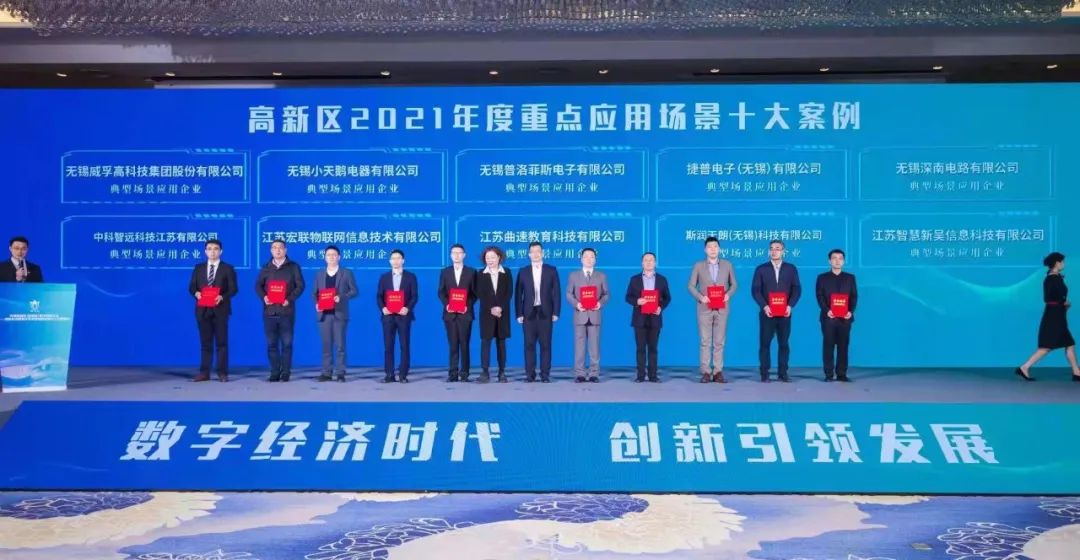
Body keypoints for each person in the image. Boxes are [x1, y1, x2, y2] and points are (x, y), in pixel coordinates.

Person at [1016, 252, 1080, 382]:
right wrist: (1063, 303)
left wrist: (1063, 304)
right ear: (1057, 263)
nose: (1064, 264)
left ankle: (1076, 372)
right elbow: (1049, 298)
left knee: (1069, 343)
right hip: (1054, 316)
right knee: (1047, 346)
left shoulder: (1054, 278)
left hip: (1057, 314)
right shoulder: (1052, 279)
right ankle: (1024, 367)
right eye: (1062, 261)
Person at [687, 236, 737, 383]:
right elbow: (690, 286)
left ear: (719, 249)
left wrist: (728, 295)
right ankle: (706, 372)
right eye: (710, 247)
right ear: (705, 250)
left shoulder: (727, 265)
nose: (713, 249)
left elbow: (734, 285)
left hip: (722, 308)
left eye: (715, 246)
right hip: (704, 308)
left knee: (719, 341)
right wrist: (700, 297)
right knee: (705, 341)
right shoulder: (698, 266)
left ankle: (718, 371)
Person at [187, 239, 238, 382]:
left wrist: (222, 296)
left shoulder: (228, 268)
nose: (212, 251)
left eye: (215, 249)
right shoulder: (198, 268)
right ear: (205, 251)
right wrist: (196, 293)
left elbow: (234, 289)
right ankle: (204, 373)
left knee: (222, 343)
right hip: (202, 310)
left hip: (220, 309)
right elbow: (192, 287)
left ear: (221, 251)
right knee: (205, 343)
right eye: (209, 249)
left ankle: (222, 373)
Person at [751, 239, 801, 383]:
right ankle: (764, 373)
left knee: (784, 344)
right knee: (765, 344)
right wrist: (764, 306)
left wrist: (790, 306)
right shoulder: (761, 269)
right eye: (772, 248)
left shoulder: (791, 268)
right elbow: (755, 290)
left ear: (783, 251)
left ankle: (783, 373)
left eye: (777, 248)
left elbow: (797, 289)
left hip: (785, 313)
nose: (774, 251)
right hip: (767, 313)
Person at [255, 239, 305, 382]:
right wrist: (264, 297)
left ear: (285, 250)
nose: (277, 250)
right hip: (269, 311)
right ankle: (274, 371)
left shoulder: (293, 267)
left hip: (286, 311)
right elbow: (258, 286)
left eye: (280, 248)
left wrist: (289, 299)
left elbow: (300, 286)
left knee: (287, 344)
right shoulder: (266, 267)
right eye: (274, 248)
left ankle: (286, 372)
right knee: (271, 344)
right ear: (271, 250)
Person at [515, 241, 561, 383]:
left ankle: (545, 374)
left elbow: (556, 293)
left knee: (546, 345)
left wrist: (556, 312)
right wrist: (519, 313)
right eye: (533, 251)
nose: (535, 254)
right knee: (529, 345)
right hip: (528, 313)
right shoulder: (523, 271)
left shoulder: (551, 270)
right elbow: (518, 294)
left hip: (546, 312)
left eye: (538, 251)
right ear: (529, 254)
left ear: (542, 253)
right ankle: (530, 375)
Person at [313, 246, 358, 382]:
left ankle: (340, 372)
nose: (331, 257)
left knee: (340, 345)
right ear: (325, 257)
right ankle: (326, 372)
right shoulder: (320, 274)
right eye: (328, 255)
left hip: (339, 314)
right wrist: (317, 303)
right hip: (324, 315)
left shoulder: (346, 273)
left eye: (334, 255)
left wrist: (341, 297)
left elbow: (354, 291)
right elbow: (314, 293)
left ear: (339, 257)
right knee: (326, 345)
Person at [625, 252, 672, 383]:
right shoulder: (634, 279)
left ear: (655, 263)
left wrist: (660, 307)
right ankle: (640, 376)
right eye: (646, 260)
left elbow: (667, 298)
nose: (649, 262)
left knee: (653, 348)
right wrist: (637, 301)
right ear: (642, 263)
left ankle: (653, 376)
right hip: (639, 319)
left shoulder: (662, 279)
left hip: (655, 318)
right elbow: (628, 297)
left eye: (651, 260)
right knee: (640, 349)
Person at [565, 248, 610, 382]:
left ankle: (594, 373)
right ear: (581, 259)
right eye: (586, 256)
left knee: (594, 346)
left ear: (595, 260)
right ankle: (579, 373)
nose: (589, 259)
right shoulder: (573, 275)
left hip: (595, 314)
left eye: (592, 257)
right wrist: (577, 304)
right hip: (580, 314)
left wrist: (600, 304)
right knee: (579, 346)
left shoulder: (601, 276)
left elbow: (606, 294)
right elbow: (569, 294)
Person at [816, 249, 858, 382]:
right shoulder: (822, 278)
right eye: (834, 258)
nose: (837, 261)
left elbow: (854, 296)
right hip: (828, 317)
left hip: (845, 318)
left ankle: (841, 374)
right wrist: (826, 310)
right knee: (828, 345)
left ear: (844, 261)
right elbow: (819, 296)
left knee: (843, 346)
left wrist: (850, 311)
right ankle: (828, 374)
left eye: (840, 258)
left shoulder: (850, 278)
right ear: (829, 261)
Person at [377, 249, 418, 383]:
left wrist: (407, 308)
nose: (396, 261)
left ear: (403, 260)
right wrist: (383, 308)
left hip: (403, 316)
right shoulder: (384, 277)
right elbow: (379, 296)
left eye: (398, 258)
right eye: (393, 258)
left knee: (404, 345)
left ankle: (403, 375)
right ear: (390, 261)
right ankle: (389, 374)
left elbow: (414, 296)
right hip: (388, 316)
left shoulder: (411, 277)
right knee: (388, 346)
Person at [438, 244, 477, 382]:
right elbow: (441, 292)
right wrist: (447, 304)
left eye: (459, 253)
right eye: (454, 253)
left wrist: (467, 305)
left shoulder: (471, 272)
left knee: (464, 344)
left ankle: (465, 373)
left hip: (465, 313)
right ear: (450, 255)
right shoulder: (445, 272)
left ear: (464, 255)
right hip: (450, 314)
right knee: (453, 345)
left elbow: (475, 293)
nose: (456, 255)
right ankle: (453, 373)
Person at [476, 246, 512, 383]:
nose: (489, 260)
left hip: (502, 313)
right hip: (487, 313)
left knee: (501, 342)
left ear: (499, 257)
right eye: (487, 258)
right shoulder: (480, 274)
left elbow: (509, 292)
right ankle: (484, 372)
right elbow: (480, 293)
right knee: (485, 342)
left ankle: (502, 372)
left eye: (492, 257)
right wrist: (491, 307)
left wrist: (500, 307)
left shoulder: (506, 272)